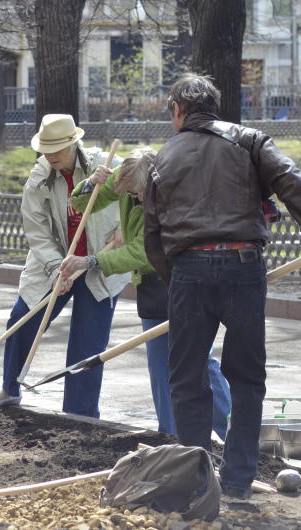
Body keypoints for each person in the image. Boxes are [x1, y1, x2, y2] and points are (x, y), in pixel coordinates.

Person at [143, 74, 301, 499]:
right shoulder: (249, 141)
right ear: (214, 107)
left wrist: (178, 281)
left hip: (188, 271)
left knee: (187, 379)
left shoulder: (162, 157)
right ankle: (238, 481)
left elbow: (152, 236)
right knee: (246, 379)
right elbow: (293, 181)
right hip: (244, 266)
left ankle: (197, 482)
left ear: (177, 110)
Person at [60, 147, 231, 440]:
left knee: (199, 360)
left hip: (187, 280)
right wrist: (91, 183)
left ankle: (231, 429)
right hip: (153, 288)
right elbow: (82, 203)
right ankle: (171, 436)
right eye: (129, 193)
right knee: (160, 363)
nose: (134, 198)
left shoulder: (171, 197)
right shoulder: (129, 177)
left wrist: (92, 261)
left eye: (139, 193)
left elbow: (144, 253)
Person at [0, 114, 128, 418]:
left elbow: (142, 197)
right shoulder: (40, 177)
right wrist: (58, 268)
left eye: (57, 149)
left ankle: (80, 414)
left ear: (74, 143)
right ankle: (10, 389)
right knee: (22, 319)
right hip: (56, 261)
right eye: (46, 149)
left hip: (100, 261)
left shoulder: (108, 164)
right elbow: (36, 232)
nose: (50, 156)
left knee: (87, 343)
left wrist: (128, 227)